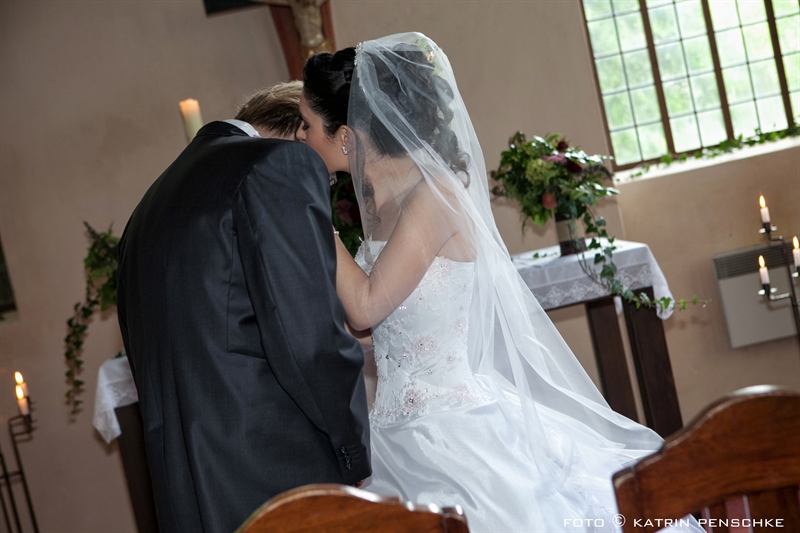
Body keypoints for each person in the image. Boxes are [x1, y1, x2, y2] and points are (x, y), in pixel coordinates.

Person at [297, 34, 703, 533]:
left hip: (450, 430)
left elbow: (364, 307)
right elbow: (374, 327)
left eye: (307, 125)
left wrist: (314, 218)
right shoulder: (379, 207)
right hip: (395, 430)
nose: (300, 137)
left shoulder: (433, 196)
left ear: (346, 135)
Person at [116, 82, 371, 533]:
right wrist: (353, 450)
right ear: (302, 133)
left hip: (187, 492)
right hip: (275, 474)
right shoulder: (280, 163)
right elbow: (307, 339)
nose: (325, 184)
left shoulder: (146, 208)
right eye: (329, 178)